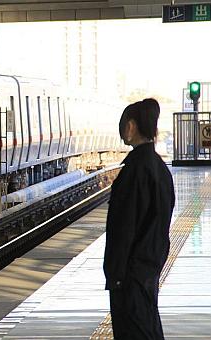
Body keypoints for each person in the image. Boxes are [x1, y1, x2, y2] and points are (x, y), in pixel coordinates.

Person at [104, 98, 175, 339]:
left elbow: (124, 228)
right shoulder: (158, 168)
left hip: (130, 275)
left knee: (134, 331)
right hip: (149, 266)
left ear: (131, 127)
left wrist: (116, 274)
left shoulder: (135, 171)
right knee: (148, 329)